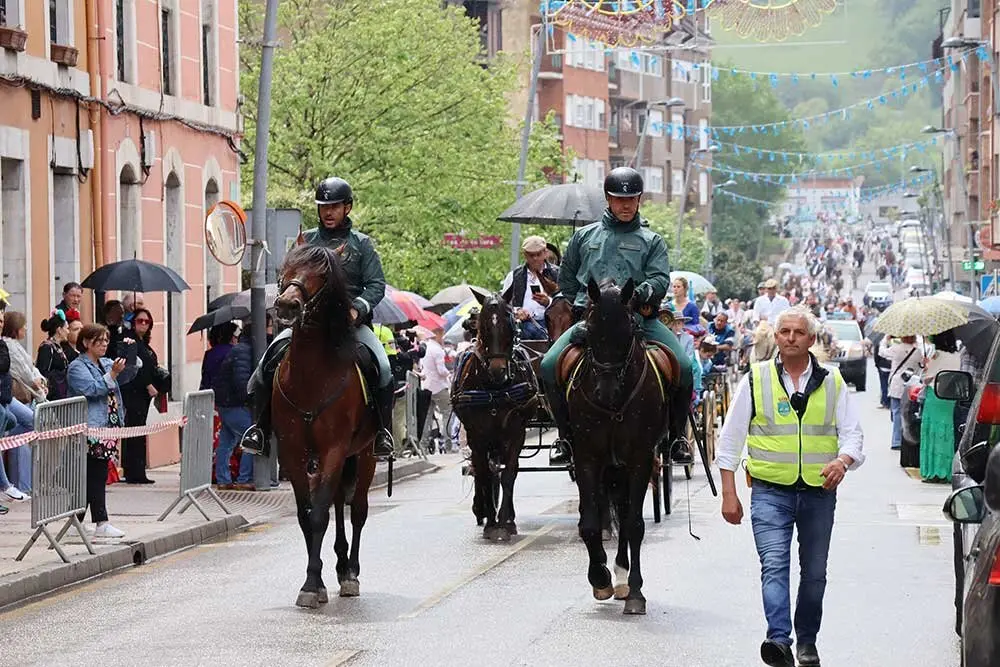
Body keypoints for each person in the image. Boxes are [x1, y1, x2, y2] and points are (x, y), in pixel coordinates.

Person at [717, 306, 865, 667]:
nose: (791, 338)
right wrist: (730, 494)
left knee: (814, 573)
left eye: (799, 332)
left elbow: (853, 436)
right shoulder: (756, 379)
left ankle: (807, 642)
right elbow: (730, 440)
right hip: (769, 492)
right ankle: (779, 640)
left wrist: (843, 461)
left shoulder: (832, 381)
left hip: (818, 494)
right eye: (784, 332)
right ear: (776, 337)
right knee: (774, 565)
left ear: (811, 339)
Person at [540, 167, 694, 466]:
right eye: (618, 199)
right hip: (592, 323)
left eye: (631, 199)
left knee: (685, 367)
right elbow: (568, 279)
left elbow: (661, 279)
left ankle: (676, 438)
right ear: (608, 199)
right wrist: (581, 307)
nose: (625, 205)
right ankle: (565, 438)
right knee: (548, 366)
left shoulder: (652, 241)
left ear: (639, 200)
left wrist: (642, 294)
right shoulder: (584, 237)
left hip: (639, 321)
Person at [240, 177, 395, 458]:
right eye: (324, 206)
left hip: (349, 325)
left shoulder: (361, 244)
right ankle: (259, 430)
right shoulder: (305, 241)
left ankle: (382, 433)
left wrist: (356, 308)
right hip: (307, 324)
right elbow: (286, 276)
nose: (328, 212)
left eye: (334, 206)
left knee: (383, 369)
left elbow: (376, 285)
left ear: (347, 208)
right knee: (265, 366)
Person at [67, 323, 141, 539]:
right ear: (86, 342)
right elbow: (92, 389)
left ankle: (76, 522)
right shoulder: (77, 367)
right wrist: (112, 375)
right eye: (99, 341)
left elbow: (127, 375)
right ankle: (100, 522)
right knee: (94, 475)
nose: (104, 345)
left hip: (108, 427)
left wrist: (131, 353)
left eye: (106, 341)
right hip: (90, 428)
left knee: (94, 475)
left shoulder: (105, 363)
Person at [2, 310, 44, 493]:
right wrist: (37, 385)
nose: (26, 328)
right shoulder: (8, 345)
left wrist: (40, 381)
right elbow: (22, 371)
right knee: (30, 421)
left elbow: (31, 367)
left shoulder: (12, 345)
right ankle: (10, 486)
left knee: (26, 427)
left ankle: (20, 485)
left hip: (9, 396)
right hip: (11, 396)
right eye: (24, 325)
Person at [211, 326, 256, 490]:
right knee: (251, 437)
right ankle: (245, 478)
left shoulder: (239, 349)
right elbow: (241, 380)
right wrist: (250, 400)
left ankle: (223, 479)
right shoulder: (245, 351)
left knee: (227, 441)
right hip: (234, 403)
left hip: (226, 402)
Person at [119, 308, 159, 484]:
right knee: (135, 431)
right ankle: (134, 472)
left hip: (144, 395)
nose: (143, 324)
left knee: (139, 430)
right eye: (139, 321)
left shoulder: (144, 343)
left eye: (146, 321)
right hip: (134, 392)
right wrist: (148, 384)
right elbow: (134, 367)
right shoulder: (130, 341)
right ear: (133, 323)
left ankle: (137, 470)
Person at [920, 330, 961, 483]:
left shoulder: (936, 356)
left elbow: (926, 379)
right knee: (947, 433)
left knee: (932, 432)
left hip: (935, 397)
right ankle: (946, 470)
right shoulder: (958, 356)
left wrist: (925, 367)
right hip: (950, 399)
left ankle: (934, 471)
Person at [501, 235, 559, 341]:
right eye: (531, 255)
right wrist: (517, 311)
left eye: (538, 254)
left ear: (545, 253)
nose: (535, 258)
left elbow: (566, 303)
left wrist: (548, 302)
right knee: (527, 329)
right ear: (525, 255)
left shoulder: (557, 274)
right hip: (522, 325)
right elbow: (503, 305)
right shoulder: (514, 276)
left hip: (553, 324)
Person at [418, 326, 454, 453]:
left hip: (426, 386)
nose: (443, 337)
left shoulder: (425, 347)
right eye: (442, 334)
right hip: (439, 386)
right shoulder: (438, 350)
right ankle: (449, 444)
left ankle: (423, 446)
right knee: (447, 413)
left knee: (427, 417)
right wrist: (449, 373)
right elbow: (441, 370)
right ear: (437, 334)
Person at [880, 334, 920, 450]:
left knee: (896, 412)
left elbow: (882, 352)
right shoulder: (918, 352)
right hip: (910, 386)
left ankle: (896, 440)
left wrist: (885, 339)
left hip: (897, 385)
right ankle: (907, 440)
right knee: (908, 414)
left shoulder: (896, 348)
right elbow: (920, 368)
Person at [36, 310, 72, 401]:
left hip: (61, 393)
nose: (68, 332)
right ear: (59, 330)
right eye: (66, 328)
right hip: (51, 396)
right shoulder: (47, 347)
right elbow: (42, 372)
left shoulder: (59, 347)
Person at [200, 322, 238, 391]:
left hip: (210, 393)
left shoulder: (209, 354)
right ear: (232, 337)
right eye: (236, 337)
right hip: (228, 395)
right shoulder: (234, 352)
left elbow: (205, 378)